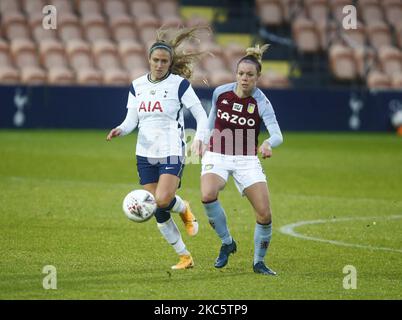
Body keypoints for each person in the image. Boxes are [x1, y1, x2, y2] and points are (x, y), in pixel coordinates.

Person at [107, 27, 208, 270]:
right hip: (144, 153)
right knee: (156, 209)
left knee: (162, 199)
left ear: (170, 62)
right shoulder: (137, 85)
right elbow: (132, 119)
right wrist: (121, 129)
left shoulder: (179, 85)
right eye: (156, 60)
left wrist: (199, 138)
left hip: (171, 149)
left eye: (164, 61)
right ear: (149, 60)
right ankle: (185, 256)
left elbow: (201, 114)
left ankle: (184, 208)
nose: (159, 64)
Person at [200, 44, 283, 275]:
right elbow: (210, 120)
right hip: (217, 153)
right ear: (235, 74)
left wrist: (267, 143)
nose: (244, 79)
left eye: (250, 75)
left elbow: (277, 134)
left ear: (258, 77)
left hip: (246, 159)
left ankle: (259, 262)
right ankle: (227, 242)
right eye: (241, 74)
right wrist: (202, 140)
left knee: (265, 214)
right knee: (207, 194)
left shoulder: (261, 102)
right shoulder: (221, 93)